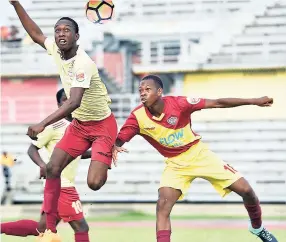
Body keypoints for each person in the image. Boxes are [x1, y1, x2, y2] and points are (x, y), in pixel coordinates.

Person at [112, 75, 278, 242]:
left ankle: (257, 229)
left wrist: (254, 101)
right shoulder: (137, 117)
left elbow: (217, 102)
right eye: (140, 90)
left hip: (199, 155)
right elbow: (117, 142)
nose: (142, 93)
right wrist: (109, 148)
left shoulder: (180, 104)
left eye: (147, 89)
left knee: (247, 191)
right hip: (175, 164)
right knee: (162, 207)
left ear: (160, 91)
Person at [10, 1, 118, 241]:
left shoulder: (83, 63)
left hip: (102, 126)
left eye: (66, 30)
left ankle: (107, 152)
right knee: (52, 168)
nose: (61, 34)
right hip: (80, 126)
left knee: (94, 183)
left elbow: (74, 102)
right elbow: (36, 34)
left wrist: (42, 124)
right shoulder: (57, 52)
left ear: (77, 36)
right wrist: (15, 3)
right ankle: (50, 229)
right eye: (58, 30)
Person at [1, 89, 91, 242]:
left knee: (41, 229)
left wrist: (102, 153)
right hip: (61, 185)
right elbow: (31, 149)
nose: (69, 102)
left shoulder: (79, 128)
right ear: (58, 104)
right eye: (64, 100)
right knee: (81, 227)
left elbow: (77, 153)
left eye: (71, 99)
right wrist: (42, 165)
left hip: (58, 186)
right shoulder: (54, 126)